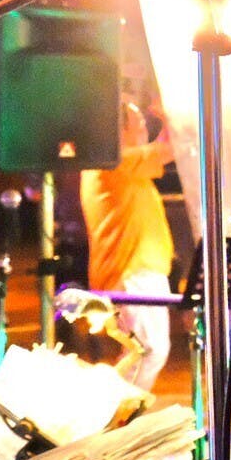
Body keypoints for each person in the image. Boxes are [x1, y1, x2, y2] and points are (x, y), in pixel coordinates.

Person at [79, 99, 175, 390]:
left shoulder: (123, 165)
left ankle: (118, 410)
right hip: (131, 271)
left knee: (146, 351)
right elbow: (171, 148)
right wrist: (173, 117)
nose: (145, 130)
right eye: (139, 124)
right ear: (117, 131)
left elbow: (164, 148)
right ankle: (113, 412)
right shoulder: (112, 162)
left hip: (139, 272)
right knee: (148, 351)